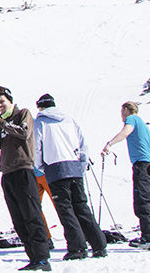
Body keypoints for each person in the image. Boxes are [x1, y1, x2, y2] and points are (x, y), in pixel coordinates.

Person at [0, 86, 52, 271]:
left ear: (10, 100)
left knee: (31, 215)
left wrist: (0, 122)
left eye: (2, 102)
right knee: (19, 218)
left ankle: (42, 258)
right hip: (7, 173)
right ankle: (33, 257)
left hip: (23, 170)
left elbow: (23, 133)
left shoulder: (23, 114)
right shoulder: (1, 122)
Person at [32, 94, 107, 261]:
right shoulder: (69, 120)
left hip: (56, 169)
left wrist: (41, 167)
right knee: (81, 207)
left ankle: (77, 248)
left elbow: (36, 148)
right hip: (74, 167)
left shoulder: (41, 122)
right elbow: (83, 144)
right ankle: (99, 245)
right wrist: (81, 164)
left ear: (41, 107)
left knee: (66, 210)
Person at [102, 101, 150, 248]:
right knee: (149, 199)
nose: (121, 115)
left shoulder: (132, 119)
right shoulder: (144, 125)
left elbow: (125, 132)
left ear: (126, 110)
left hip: (141, 165)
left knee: (142, 201)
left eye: (122, 112)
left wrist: (109, 144)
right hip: (149, 164)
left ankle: (149, 237)